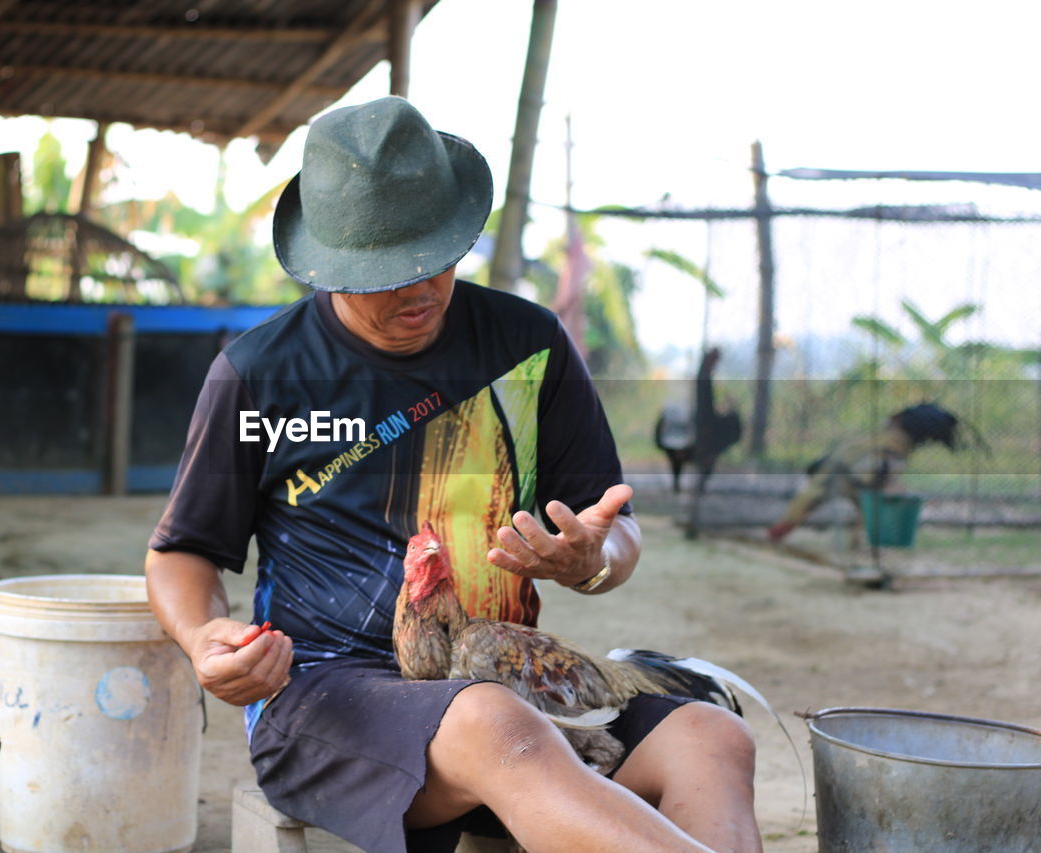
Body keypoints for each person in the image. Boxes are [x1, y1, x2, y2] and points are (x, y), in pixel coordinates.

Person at [146, 96, 760, 853]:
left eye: (437, 254)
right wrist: (207, 632)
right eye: (386, 271)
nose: (422, 287)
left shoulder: (527, 345)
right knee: (490, 721)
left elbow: (615, 524)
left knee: (711, 736)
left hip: (510, 682)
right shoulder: (258, 374)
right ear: (329, 261)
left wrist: (594, 557)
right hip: (327, 696)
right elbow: (181, 551)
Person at [768, 402, 961, 542]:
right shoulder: (891, 439)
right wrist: (887, 484)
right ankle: (776, 536)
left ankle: (860, 545)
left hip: (848, 476)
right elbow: (881, 466)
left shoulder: (891, 438)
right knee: (803, 508)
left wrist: (886, 482)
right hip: (844, 475)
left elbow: (884, 466)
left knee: (808, 506)